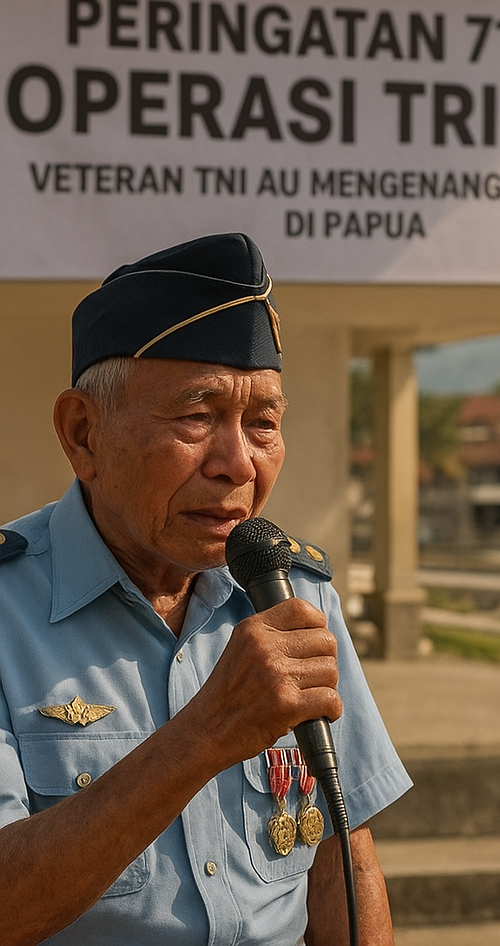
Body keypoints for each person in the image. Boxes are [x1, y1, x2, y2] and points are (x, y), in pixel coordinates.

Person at [0, 233, 411, 946]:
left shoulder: (293, 594)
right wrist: (204, 735)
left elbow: (344, 857)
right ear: (82, 433)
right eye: (197, 415)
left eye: (263, 424)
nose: (237, 464)